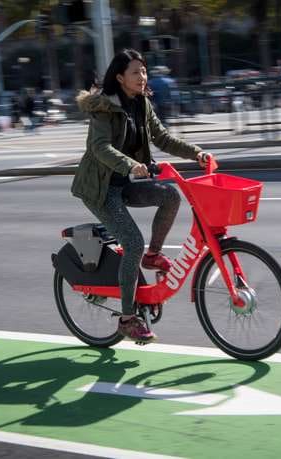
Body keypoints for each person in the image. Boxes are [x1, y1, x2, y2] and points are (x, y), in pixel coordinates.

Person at [72, 49, 213, 343]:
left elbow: (162, 138)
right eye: (136, 72)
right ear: (120, 77)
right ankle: (127, 318)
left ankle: (153, 255)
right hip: (101, 187)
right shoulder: (103, 108)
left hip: (127, 181)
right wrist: (130, 165)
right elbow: (99, 147)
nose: (142, 77)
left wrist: (196, 152)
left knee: (170, 196)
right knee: (132, 242)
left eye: (145, 71)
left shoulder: (142, 104)